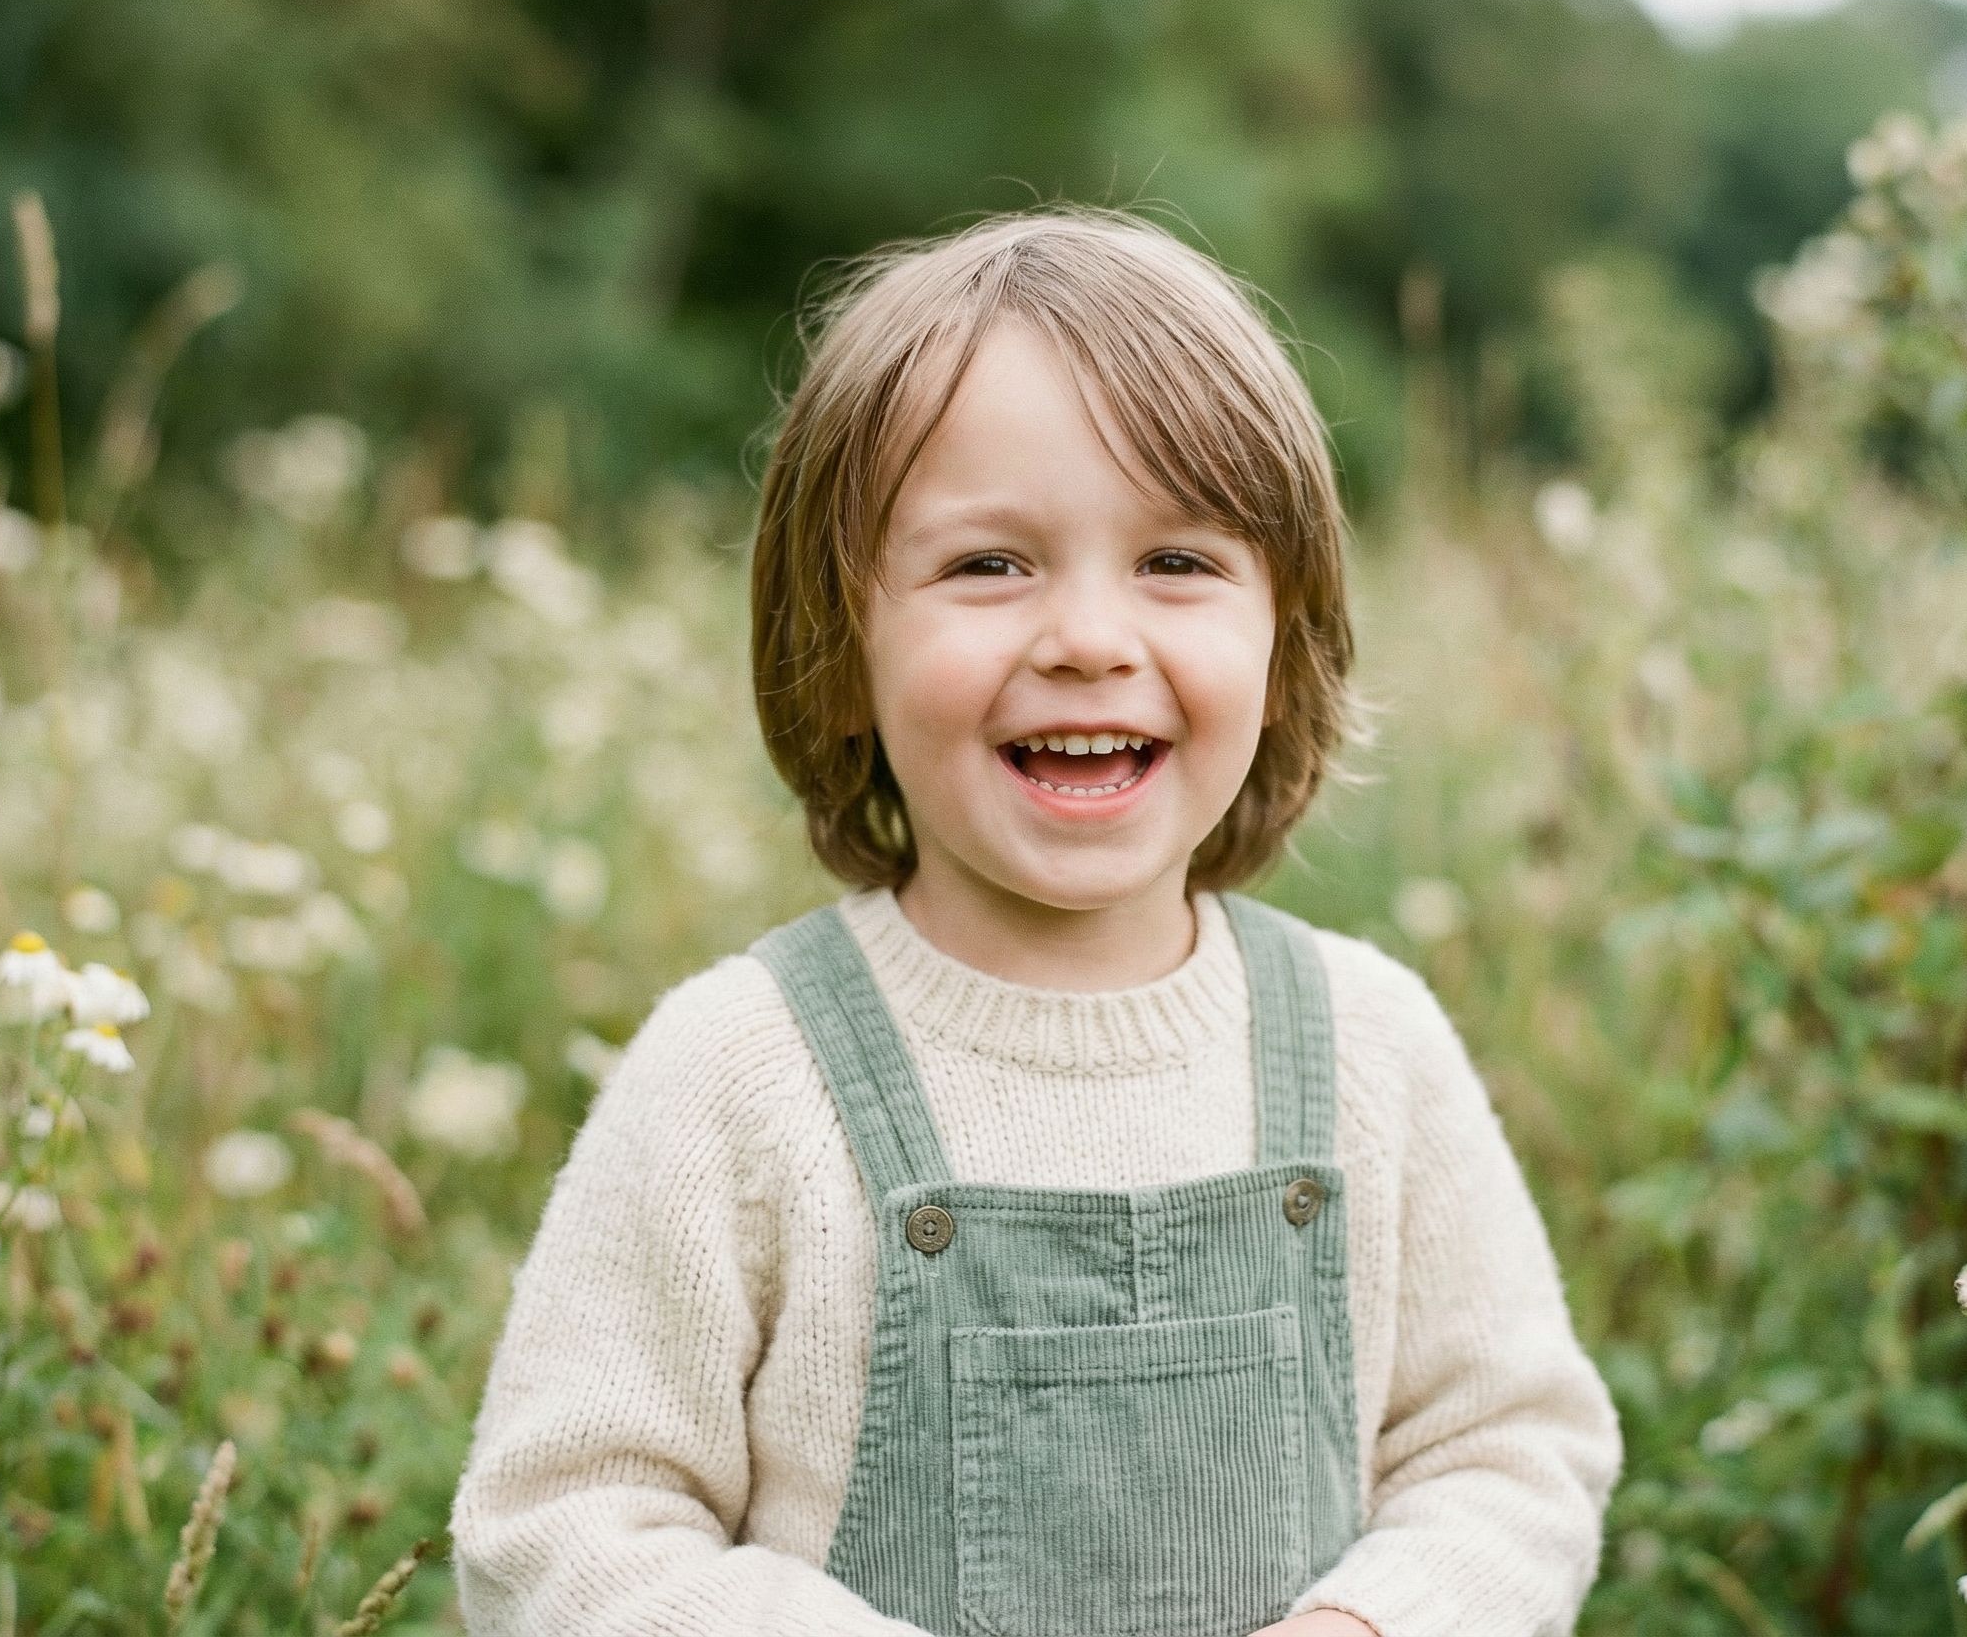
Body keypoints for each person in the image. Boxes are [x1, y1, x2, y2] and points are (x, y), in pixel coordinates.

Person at [448, 204, 1624, 1636]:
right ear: (836, 656)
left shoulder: (1369, 1047)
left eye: (1177, 562)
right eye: (988, 566)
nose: (1085, 636)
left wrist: (1372, 1623)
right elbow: (561, 1524)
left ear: (1286, 639)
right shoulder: (742, 1074)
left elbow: (1509, 1451)